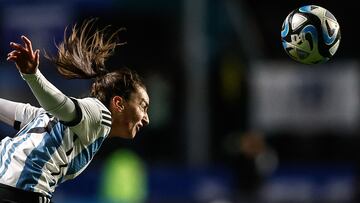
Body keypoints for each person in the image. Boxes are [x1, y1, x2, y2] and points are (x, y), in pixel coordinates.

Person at [0, 18, 150, 203]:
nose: (146, 118)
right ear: (118, 103)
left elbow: (32, 111)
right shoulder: (100, 116)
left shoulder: (52, 122)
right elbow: (62, 105)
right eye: (143, 106)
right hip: (20, 193)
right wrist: (32, 76)